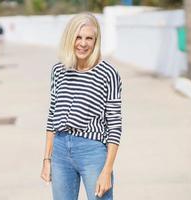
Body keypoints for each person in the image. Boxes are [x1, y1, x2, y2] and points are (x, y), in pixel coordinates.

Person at [40, 13, 122, 200]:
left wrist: (107, 170)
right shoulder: (58, 70)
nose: (83, 43)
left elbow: (115, 125)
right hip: (60, 151)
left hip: (92, 151)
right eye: (78, 37)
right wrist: (47, 159)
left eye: (89, 38)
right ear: (70, 38)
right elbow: (53, 116)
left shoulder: (108, 74)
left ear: (96, 41)